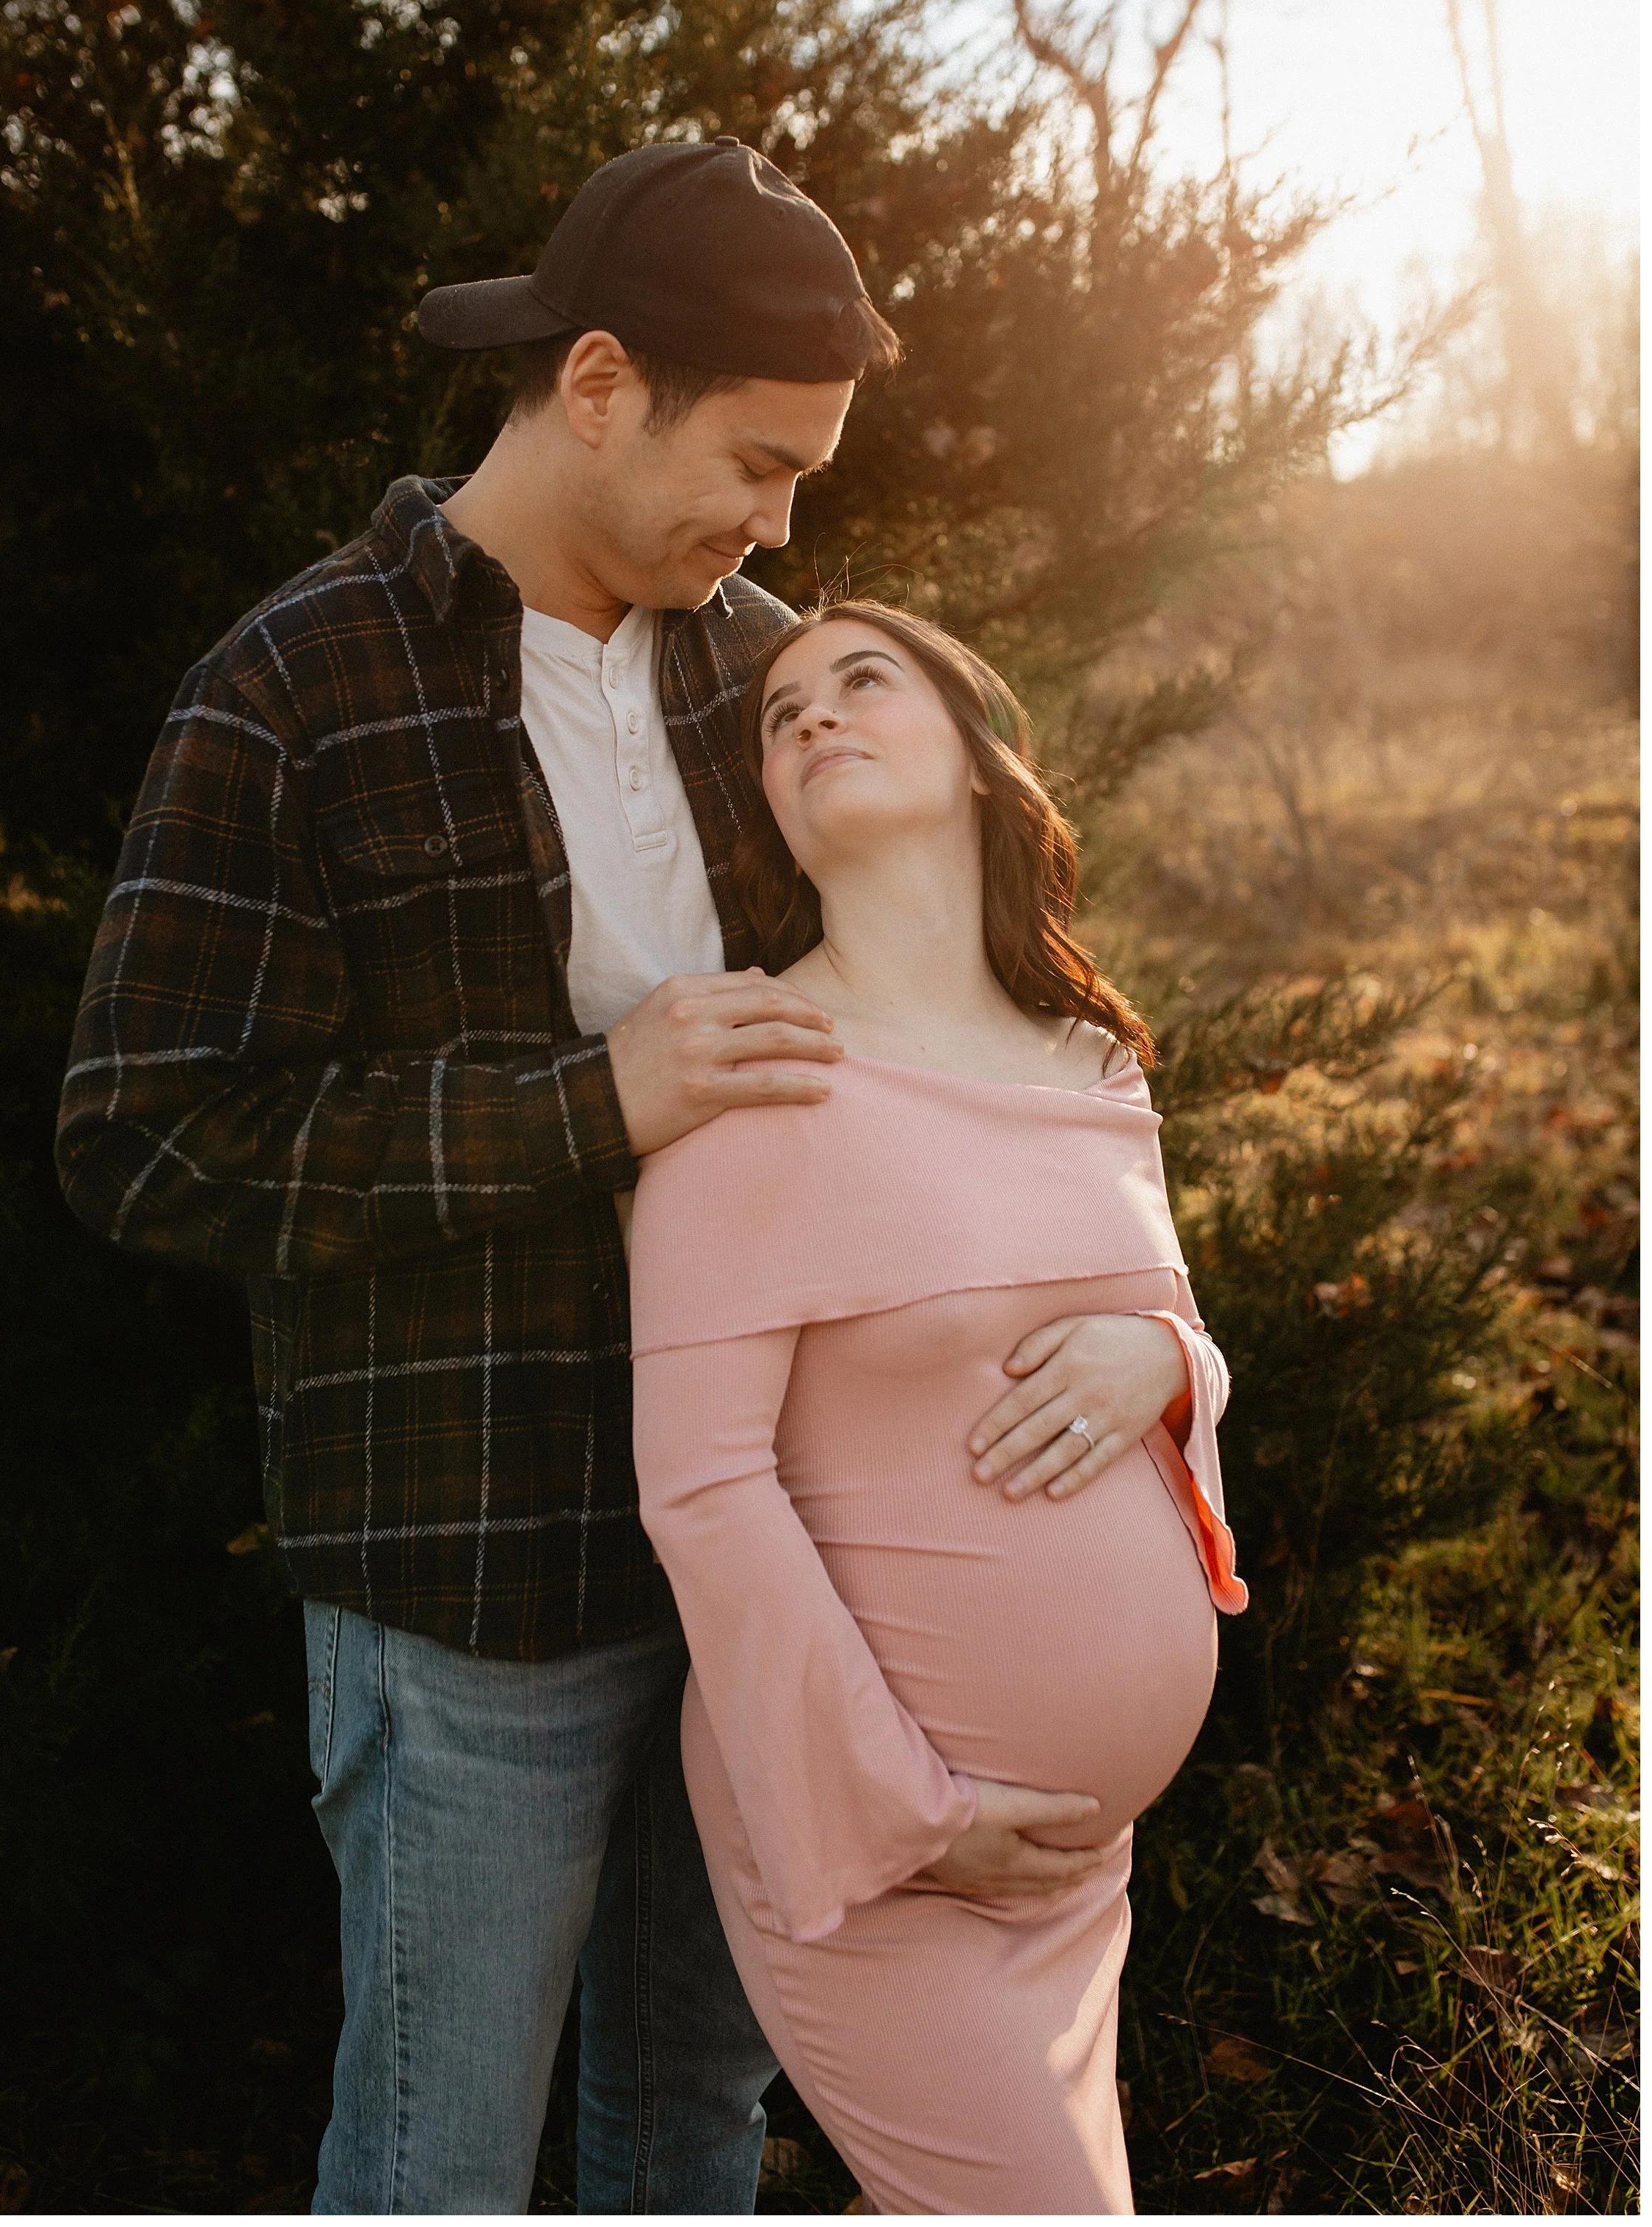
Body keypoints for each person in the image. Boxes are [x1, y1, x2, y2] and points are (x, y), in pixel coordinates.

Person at [56, 142, 1195, 2215]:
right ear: (596, 384)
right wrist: (590, 1100)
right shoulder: (294, 691)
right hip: (472, 1588)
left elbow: (961, 1063)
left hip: (804, 1606)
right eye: (758, 466)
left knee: (692, 2132)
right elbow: (142, 1133)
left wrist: (1151, 1340)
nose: (783, 531)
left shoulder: (760, 675)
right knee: (439, 2163)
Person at [629, 600, 1248, 2217]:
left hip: (1067, 1866)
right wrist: (920, 1816)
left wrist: (1167, 1368)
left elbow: (1175, 1323)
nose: (815, 718)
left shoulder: (1094, 1062)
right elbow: (702, 1492)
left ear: (980, 761)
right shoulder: (759, 1079)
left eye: (863, 680)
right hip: (885, 1845)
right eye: (781, 714)